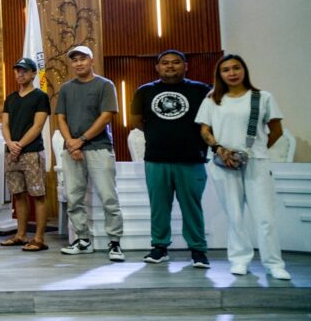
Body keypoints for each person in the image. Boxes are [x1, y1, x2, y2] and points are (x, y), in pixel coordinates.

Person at [196, 54, 290, 280]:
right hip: (223, 163)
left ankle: (274, 264)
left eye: (236, 68)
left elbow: (276, 130)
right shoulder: (212, 99)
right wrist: (221, 150)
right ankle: (239, 260)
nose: (232, 73)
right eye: (226, 69)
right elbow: (205, 130)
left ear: (244, 70)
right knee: (235, 215)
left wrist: (253, 152)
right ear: (220, 75)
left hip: (256, 163)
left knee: (265, 217)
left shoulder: (262, 97)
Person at [131, 50, 211, 268]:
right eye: (165, 63)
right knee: (159, 207)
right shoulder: (145, 91)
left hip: (191, 158)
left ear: (186, 66)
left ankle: (198, 250)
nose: (170, 66)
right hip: (157, 158)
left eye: (176, 62)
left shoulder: (202, 90)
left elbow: (210, 121)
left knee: (192, 207)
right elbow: (137, 121)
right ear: (157, 67)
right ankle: (159, 247)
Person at [55, 46, 124, 261]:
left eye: (83, 59)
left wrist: (81, 140)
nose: (78, 63)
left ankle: (115, 243)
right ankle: (83, 240)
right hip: (72, 150)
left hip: (99, 148)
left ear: (91, 60)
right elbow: (60, 118)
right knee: (74, 197)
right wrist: (71, 143)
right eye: (75, 60)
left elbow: (106, 116)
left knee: (108, 197)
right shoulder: (66, 88)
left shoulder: (105, 85)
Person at [0, 58, 51, 252]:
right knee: (18, 195)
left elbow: (38, 126)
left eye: (24, 71)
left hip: (31, 152)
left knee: (38, 195)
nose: (20, 74)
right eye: (17, 71)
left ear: (33, 74)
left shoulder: (40, 96)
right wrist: (10, 143)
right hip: (12, 153)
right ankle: (21, 235)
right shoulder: (11, 98)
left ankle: (39, 238)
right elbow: (5, 124)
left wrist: (19, 145)